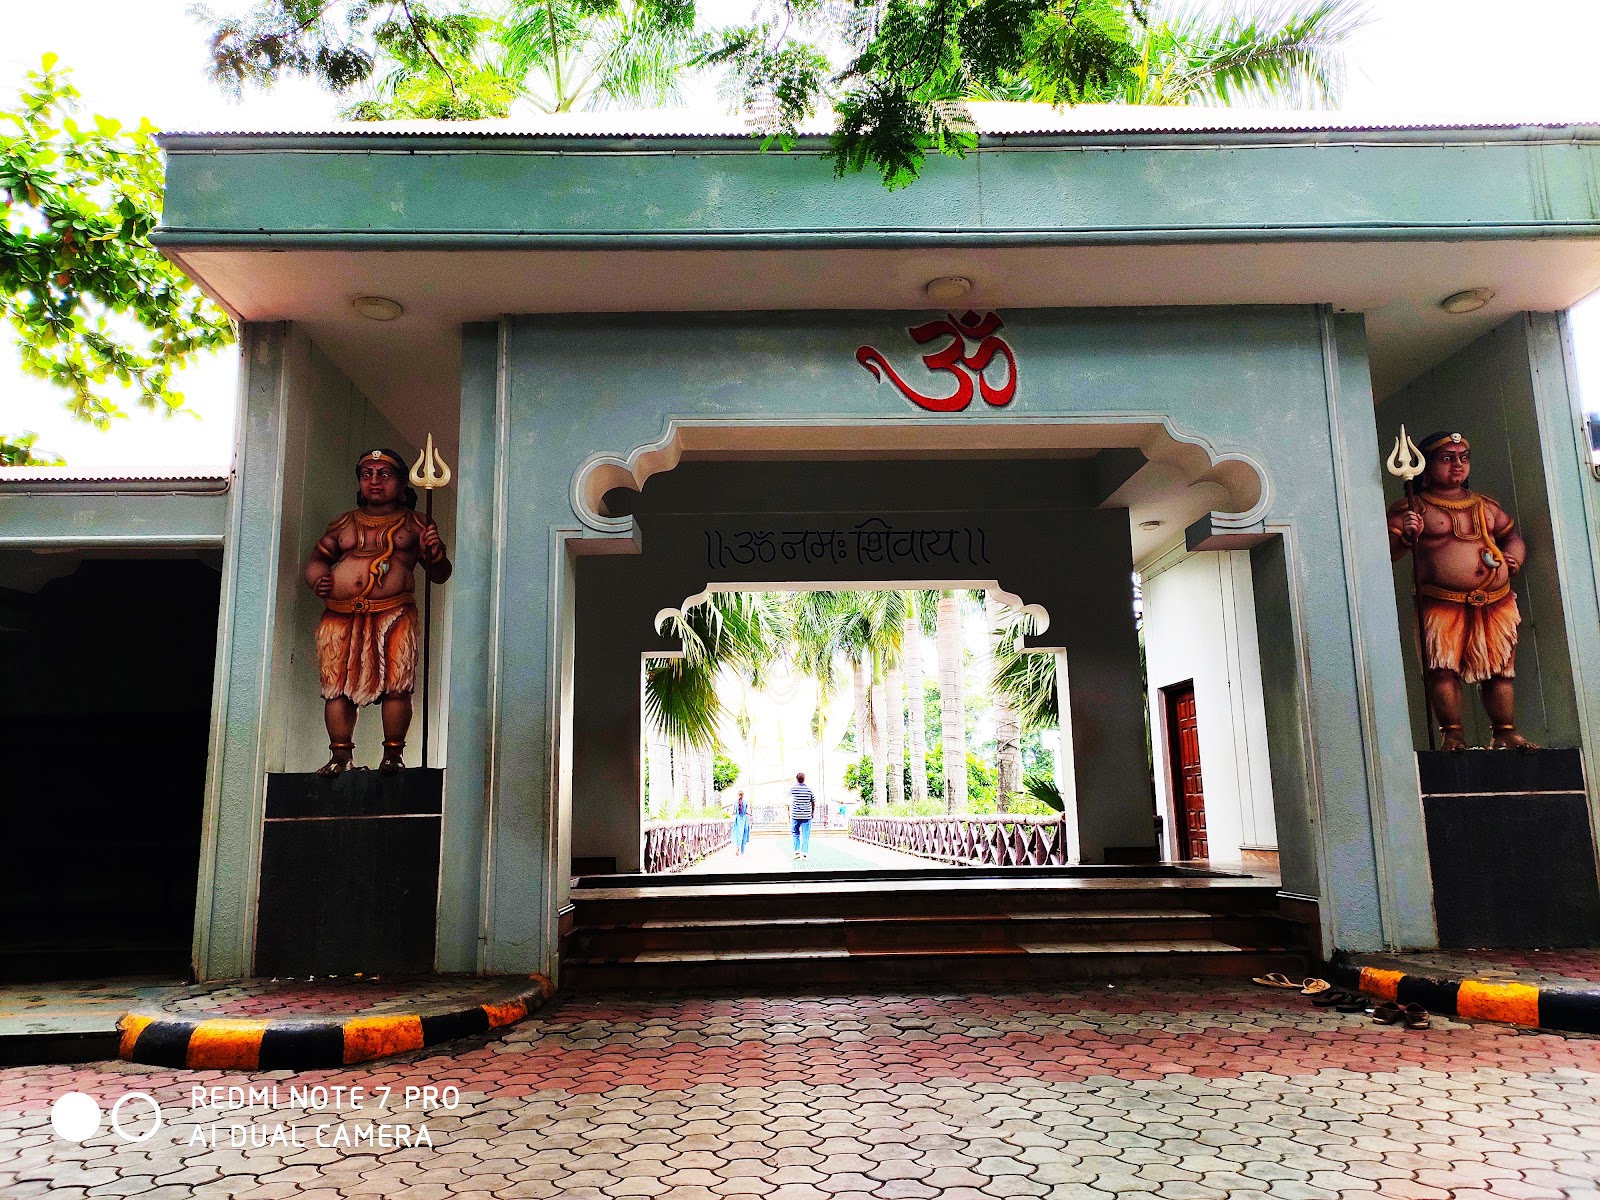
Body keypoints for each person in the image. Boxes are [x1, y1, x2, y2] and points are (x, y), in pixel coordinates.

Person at [305, 448, 453, 775]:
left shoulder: (416, 524)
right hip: (341, 614)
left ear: (402, 484)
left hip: (394, 612)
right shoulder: (343, 523)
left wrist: (435, 552)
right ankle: (340, 756)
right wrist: (319, 581)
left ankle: (394, 755)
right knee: (336, 687)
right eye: (367, 474)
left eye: (384, 475)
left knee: (397, 683)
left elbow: (439, 573)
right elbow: (317, 562)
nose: (374, 481)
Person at [1388, 430, 1530, 752]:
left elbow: (1513, 538)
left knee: (1500, 670)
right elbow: (1386, 550)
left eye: (1463, 458)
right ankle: (1452, 734)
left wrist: (1513, 560)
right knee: (1441, 667)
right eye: (1447, 459)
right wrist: (1407, 535)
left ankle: (1504, 732)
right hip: (1442, 602)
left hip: (1496, 600)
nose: (1457, 466)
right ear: (1424, 466)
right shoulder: (1414, 507)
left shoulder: (1486, 505)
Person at [789, 772, 815, 859]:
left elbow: (788, 796)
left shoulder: (793, 789)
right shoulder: (809, 790)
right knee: (805, 834)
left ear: (797, 779)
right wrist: (812, 812)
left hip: (795, 816)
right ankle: (804, 854)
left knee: (795, 833)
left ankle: (796, 852)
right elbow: (813, 801)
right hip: (806, 816)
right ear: (804, 779)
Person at [731, 790, 751, 855]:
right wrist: (749, 814)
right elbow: (748, 812)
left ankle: (738, 846)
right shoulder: (746, 802)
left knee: (738, 833)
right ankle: (742, 851)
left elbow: (733, 812)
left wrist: (735, 813)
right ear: (743, 795)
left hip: (738, 819)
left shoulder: (735, 802)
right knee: (744, 834)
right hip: (744, 820)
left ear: (738, 795)